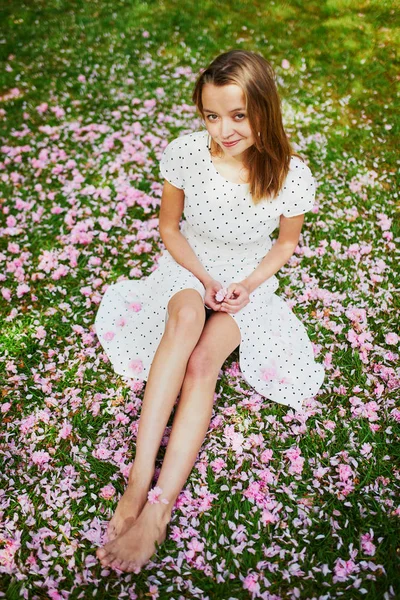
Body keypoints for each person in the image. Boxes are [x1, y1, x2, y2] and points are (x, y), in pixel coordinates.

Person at [95, 49, 325, 572]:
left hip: (246, 278)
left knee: (203, 364)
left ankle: (158, 511)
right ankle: (135, 484)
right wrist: (202, 279)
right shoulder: (185, 154)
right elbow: (170, 230)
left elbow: (284, 245)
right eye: (211, 115)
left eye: (239, 115)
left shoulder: (291, 175)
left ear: (265, 109)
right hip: (190, 263)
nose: (224, 129)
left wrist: (246, 284)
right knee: (184, 322)